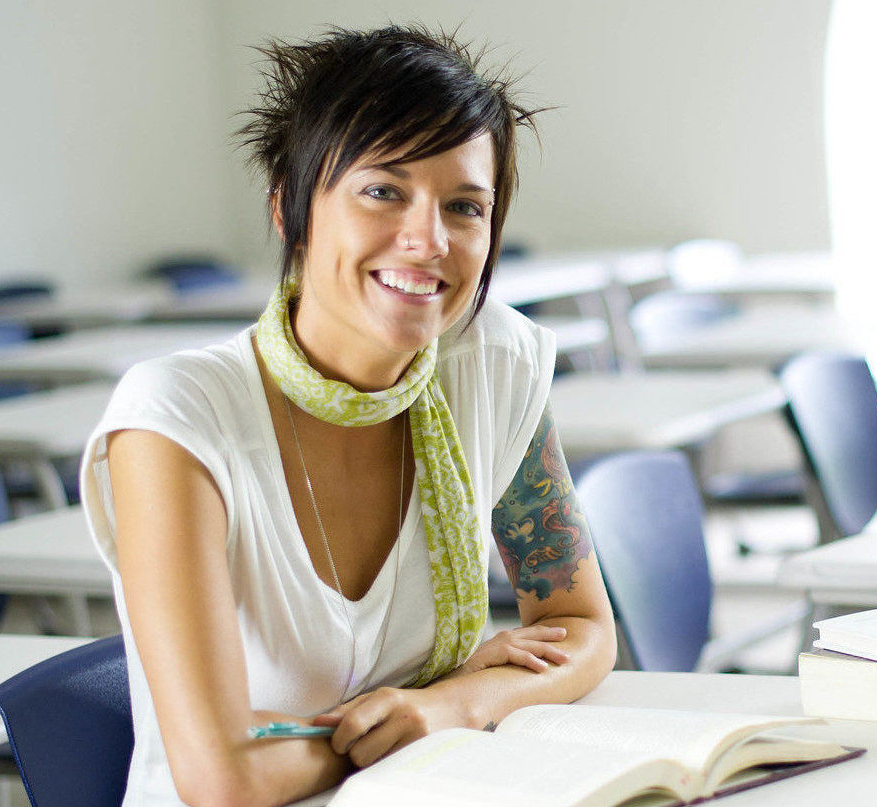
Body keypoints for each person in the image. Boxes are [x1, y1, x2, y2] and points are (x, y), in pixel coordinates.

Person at [79, 25, 616, 806]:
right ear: (288, 210)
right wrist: (414, 718)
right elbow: (224, 776)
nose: (427, 239)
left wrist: (451, 705)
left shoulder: (491, 360)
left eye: (464, 206)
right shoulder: (176, 417)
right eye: (383, 191)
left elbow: (580, 624)